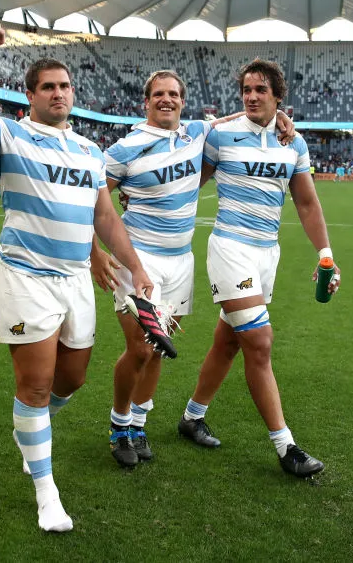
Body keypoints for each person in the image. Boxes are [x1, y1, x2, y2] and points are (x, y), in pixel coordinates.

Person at [0, 21, 154, 533]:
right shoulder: (11, 135)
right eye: (48, 87)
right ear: (31, 95)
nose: (58, 94)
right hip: (25, 276)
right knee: (36, 385)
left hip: (76, 280)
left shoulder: (87, 151)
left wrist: (137, 268)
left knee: (73, 379)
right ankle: (47, 494)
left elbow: (104, 218)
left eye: (64, 87)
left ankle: (30, 430)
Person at [90, 70, 297, 468]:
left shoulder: (195, 133)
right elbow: (91, 201)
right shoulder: (124, 148)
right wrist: (95, 253)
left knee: (156, 351)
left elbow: (249, 116)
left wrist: (283, 118)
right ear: (146, 101)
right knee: (139, 347)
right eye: (158, 94)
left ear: (183, 102)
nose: (166, 100)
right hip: (139, 258)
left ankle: (138, 423)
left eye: (174, 94)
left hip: (181, 259)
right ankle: (119, 425)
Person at [177, 58, 341, 479]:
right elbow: (190, 181)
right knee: (260, 343)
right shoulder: (223, 134)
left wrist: (325, 254)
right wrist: (146, 198)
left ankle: (192, 417)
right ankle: (286, 447)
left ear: (277, 97)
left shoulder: (294, 143)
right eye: (246, 89)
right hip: (230, 248)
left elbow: (306, 203)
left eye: (260, 90)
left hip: (268, 254)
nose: (251, 96)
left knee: (228, 342)